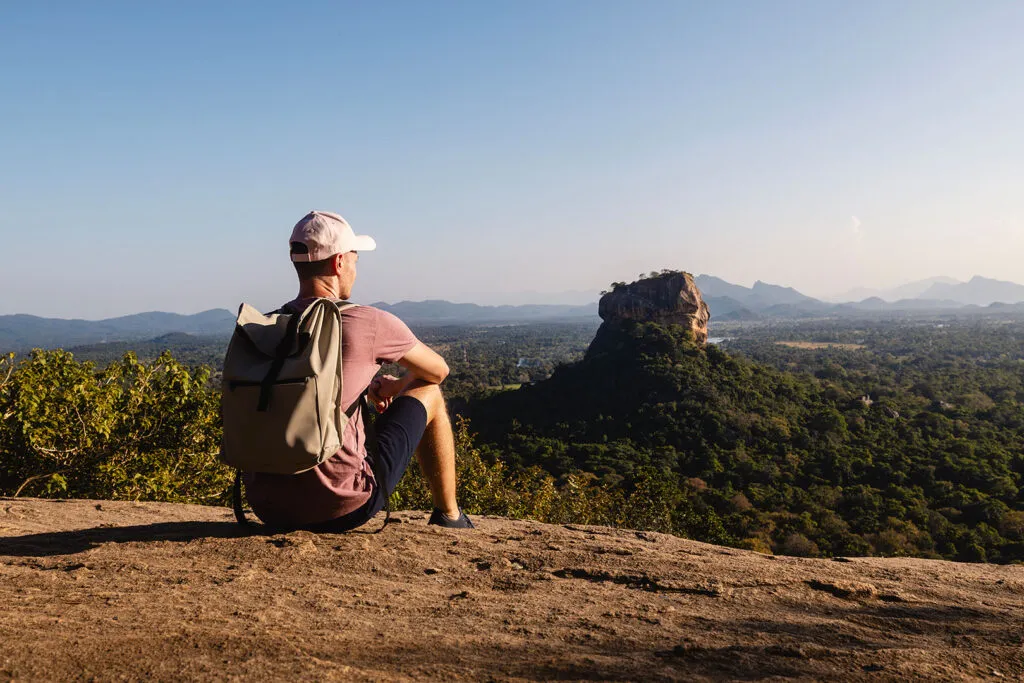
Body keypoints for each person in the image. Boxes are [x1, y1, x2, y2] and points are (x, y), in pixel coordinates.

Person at [242, 210, 474, 531]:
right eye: (355, 258)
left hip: (266, 505)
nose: (356, 266)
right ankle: (450, 516)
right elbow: (437, 371)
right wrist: (395, 388)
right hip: (340, 505)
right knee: (429, 391)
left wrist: (364, 388)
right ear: (338, 263)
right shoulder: (365, 322)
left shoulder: (265, 326)